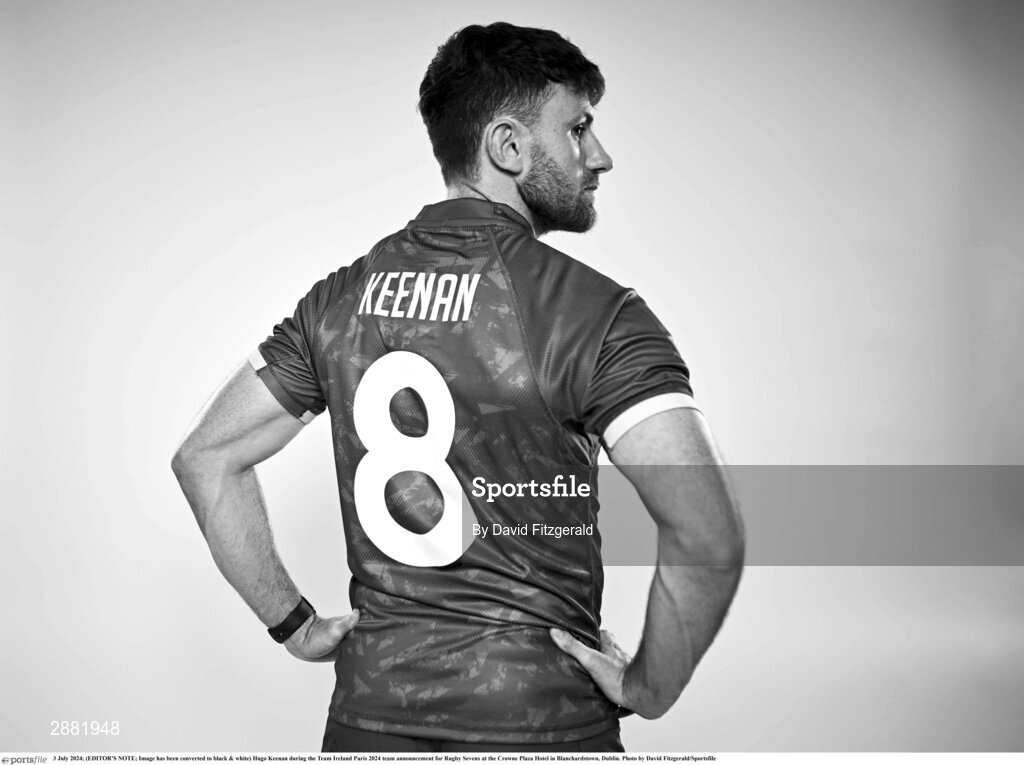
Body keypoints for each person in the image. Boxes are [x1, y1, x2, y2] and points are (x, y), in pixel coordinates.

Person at [172, 21, 744, 753]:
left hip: (367, 724)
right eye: (576, 129)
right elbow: (708, 532)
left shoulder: (339, 301)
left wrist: (296, 624)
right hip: (539, 724)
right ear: (507, 146)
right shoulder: (595, 314)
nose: (598, 156)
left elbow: (206, 457)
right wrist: (648, 691)